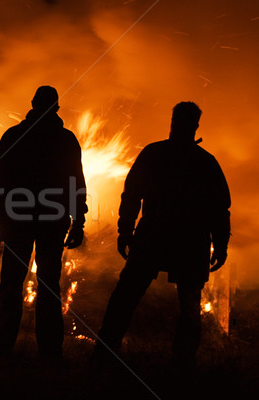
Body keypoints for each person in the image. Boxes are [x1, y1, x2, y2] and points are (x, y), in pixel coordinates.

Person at [91, 101, 231, 374]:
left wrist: (125, 231)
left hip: (154, 236)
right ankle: (183, 366)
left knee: (126, 297)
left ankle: (103, 356)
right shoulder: (205, 162)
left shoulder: (154, 154)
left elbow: (131, 194)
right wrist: (220, 244)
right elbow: (219, 208)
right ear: (196, 126)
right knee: (189, 304)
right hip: (191, 242)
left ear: (173, 122)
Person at [0, 86, 88, 360]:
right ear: (56, 108)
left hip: (18, 221)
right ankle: (50, 353)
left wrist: (2, 218)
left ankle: (1, 347)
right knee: (48, 284)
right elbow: (75, 184)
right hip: (51, 221)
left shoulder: (14, 136)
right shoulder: (65, 140)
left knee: (11, 282)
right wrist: (78, 220)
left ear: (32, 104)